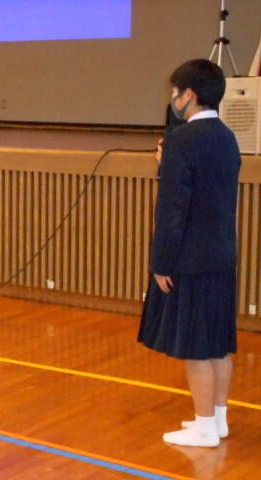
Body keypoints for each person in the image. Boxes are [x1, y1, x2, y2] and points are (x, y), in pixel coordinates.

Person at [138, 59, 241, 447]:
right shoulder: (227, 137)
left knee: (197, 347)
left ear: (189, 95)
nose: (172, 99)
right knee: (217, 343)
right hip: (221, 253)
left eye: (175, 92)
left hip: (191, 257)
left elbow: (173, 208)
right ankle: (218, 419)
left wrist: (162, 262)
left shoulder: (182, 141)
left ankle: (204, 426)